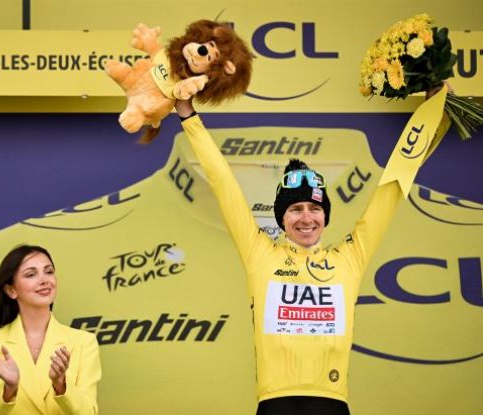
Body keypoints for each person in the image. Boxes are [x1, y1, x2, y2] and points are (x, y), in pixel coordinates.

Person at [173, 97, 443, 415]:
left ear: (325, 217)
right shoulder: (260, 254)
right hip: (275, 403)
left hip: (332, 402)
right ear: (281, 218)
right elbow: (223, 183)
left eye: (315, 209)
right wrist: (188, 116)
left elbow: (393, 189)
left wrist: (434, 114)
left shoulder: (349, 258)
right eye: (295, 209)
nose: (306, 218)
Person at [0, 245, 101, 415]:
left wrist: (62, 386)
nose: (44, 280)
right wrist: (8, 390)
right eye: (31, 274)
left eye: (49, 271)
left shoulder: (84, 342)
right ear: (11, 290)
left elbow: (89, 412)